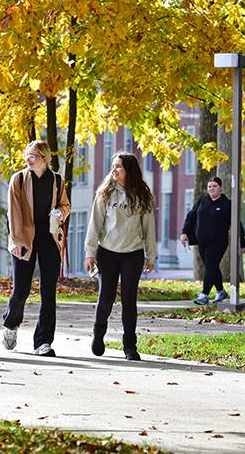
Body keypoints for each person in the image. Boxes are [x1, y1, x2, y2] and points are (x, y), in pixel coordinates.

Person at [84, 152, 157, 361]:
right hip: (107, 252)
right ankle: (99, 334)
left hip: (132, 254)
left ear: (129, 170)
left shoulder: (143, 195)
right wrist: (90, 253)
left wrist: (150, 256)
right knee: (106, 298)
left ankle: (129, 346)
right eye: (113, 166)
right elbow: (94, 225)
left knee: (129, 300)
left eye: (119, 167)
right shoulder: (105, 193)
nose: (114, 170)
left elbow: (148, 228)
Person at [2, 141, 70, 356]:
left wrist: (60, 213)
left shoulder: (57, 180)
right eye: (27, 155)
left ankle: (43, 342)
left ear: (45, 159)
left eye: (33, 156)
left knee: (48, 291)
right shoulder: (19, 179)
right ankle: (11, 325)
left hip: (49, 237)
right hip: (24, 237)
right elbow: (13, 213)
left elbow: (65, 205)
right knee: (21, 290)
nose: (28, 159)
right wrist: (16, 241)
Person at [180, 177, 245, 305]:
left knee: (210, 265)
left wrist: (242, 242)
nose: (212, 189)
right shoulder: (201, 201)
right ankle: (221, 290)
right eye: (209, 186)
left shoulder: (227, 204)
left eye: (214, 186)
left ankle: (204, 295)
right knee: (212, 267)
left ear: (220, 187)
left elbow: (237, 224)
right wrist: (185, 232)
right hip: (202, 240)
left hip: (218, 241)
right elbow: (191, 217)